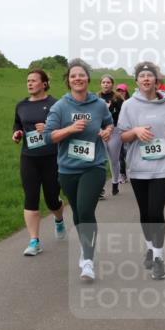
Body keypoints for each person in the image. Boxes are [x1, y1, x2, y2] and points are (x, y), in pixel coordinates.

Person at [45, 59, 114, 282]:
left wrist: (106, 131)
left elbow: (109, 123)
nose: (77, 79)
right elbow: (49, 136)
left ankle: (88, 260)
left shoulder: (99, 104)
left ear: (87, 79)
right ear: (68, 81)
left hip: (94, 166)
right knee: (77, 212)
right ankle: (85, 251)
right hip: (67, 169)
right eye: (73, 76)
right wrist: (70, 129)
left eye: (81, 75)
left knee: (85, 210)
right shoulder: (60, 107)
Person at [118, 61, 165, 280]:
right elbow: (122, 136)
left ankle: (158, 258)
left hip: (163, 167)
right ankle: (149, 247)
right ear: (136, 81)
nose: (146, 79)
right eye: (142, 76)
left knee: (156, 212)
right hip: (138, 167)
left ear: (157, 80)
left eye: (150, 75)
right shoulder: (128, 105)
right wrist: (135, 131)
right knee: (145, 213)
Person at [12, 69, 67, 255]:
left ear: (44, 84)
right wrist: (17, 133)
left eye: (33, 80)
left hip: (51, 157)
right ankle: (34, 241)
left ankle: (59, 219)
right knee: (31, 198)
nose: (29, 83)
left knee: (52, 199)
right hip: (29, 158)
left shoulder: (56, 104)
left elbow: (65, 127)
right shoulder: (21, 105)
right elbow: (18, 124)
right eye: (28, 80)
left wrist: (49, 128)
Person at [98, 75, 126, 197]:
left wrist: (110, 110)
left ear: (112, 84)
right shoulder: (95, 98)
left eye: (108, 82)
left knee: (114, 160)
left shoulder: (118, 98)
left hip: (115, 131)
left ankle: (115, 182)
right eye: (103, 82)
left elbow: (123, 115)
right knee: (100, 160)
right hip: (100, 131)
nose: (105, 84)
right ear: (100, 84)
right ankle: (100, 188)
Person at [116, 83, 130, 184]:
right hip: (117, 130)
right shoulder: (115, 101)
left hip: (129, 131)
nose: (120, 93)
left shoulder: (130, 102)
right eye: (118, 91)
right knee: (120, 154)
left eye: (122, 91)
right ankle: (122, 174)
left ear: (126, 92)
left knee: (128, 153)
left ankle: (134, 170)